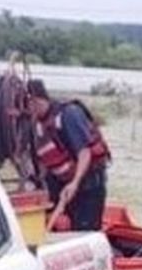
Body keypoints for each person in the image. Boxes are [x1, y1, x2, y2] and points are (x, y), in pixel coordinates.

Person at [25, 79, 111, 231]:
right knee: (59, 225)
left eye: (27, 105)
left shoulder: (68, 114)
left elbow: (84, 153)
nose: (26, 110)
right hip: (62, 183)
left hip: (89, 184)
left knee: (84, 230)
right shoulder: (36, 125)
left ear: (36, 100)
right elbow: (43, 162)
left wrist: (75, 183)